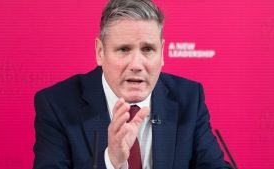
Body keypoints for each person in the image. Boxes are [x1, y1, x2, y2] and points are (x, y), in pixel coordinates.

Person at [33, 0, 233, 168]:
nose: (136, 64)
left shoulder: (188, 98)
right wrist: (111, 161)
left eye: (147, 49)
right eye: (123, 49)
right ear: (100, 52)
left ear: (162, 53)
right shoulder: (57, 105)